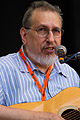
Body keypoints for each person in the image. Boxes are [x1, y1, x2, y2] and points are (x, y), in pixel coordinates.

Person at [0, 1, 80, 120]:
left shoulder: (70, 75)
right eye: (42, 30)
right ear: (24, 35)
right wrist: (39, 117)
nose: (51, 39)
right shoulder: (3, 68)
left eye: (56, 31)